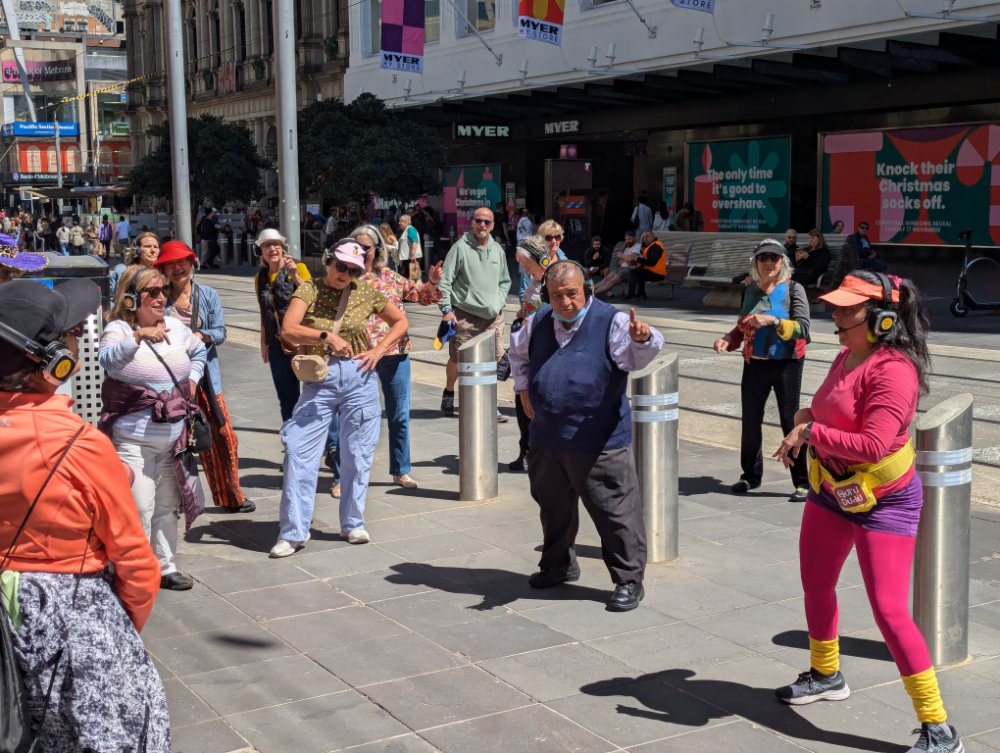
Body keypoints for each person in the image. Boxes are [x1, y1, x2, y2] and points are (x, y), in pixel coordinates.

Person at [771, 272, 963, 753]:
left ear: (881, 319)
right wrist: (805, 418)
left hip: (885, 503)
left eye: (846, 310)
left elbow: (875, 444)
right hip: (831, 492)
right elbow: (830, 409)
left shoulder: (894, 370)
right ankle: (825, 674)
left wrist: (810, 434)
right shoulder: (847, 353)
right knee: (816, 584)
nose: (835, 316)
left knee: (891, 611)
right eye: (834, 308)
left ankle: (939, 728)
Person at [0, 278, 169, 752]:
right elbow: (136, 564)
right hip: (69, 615)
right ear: (55, 361)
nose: (80, 339)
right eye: (74, 332)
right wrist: (117, 633)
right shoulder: (78, 444)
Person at [508, 261, 664, 611]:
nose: (565, 302)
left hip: (598, 438)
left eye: (572, 293)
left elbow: (637, 358)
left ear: (587, 288)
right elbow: (517, 353)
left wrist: (643, 339)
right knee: (553, 506)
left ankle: (628, 580)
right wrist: (522, 389)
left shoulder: (613, 321)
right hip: (548, 435)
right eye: (556, 295)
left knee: (615, 510)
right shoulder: (539, 320)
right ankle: (558, 564)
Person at [272, 239, 409, 555]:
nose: (344, 273)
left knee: (357, 455)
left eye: (352, 269)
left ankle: (353, 523)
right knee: (299, 453)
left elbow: (401, 322)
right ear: (329, 261)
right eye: (340, 266)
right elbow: (288, 329)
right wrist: (325, 336)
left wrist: (378, 350)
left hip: (360, 377)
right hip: (320, 378)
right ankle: (292, 532)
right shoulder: (309, 289)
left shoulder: (366, 292)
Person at [99, 265, 208, 590]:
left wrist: (192, 380)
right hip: (132, 442)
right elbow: (108, 360)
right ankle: (132, 571)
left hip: (173, 439)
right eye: (152, 292)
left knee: (165, 506)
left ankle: (164, 566)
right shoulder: (118, 329)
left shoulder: (176, 326)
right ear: (131, 298)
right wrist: (137, 337)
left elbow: (199, 350)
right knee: (139, 507)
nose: (161, 297)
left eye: (163, 291)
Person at [326, 225, 444, 495]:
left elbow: (421, 296)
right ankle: (340, 476)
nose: (362, 251)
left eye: (367, 247)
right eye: (356, 246)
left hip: (394, 353)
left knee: (399, 415)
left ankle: (401, 470)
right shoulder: (343, 277)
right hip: (357, 356)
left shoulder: (390, 277)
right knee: (350, 417)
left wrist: (433, 282)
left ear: (377, 250)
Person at [159, 241, 254, 513]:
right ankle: (175, 501)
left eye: (182, 262)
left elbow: (221, 331)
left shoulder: (208, 294)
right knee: (174, 440)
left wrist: (202, 336)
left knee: (224, 436)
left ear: (192, 263)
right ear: (163, 268)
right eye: (171, 264)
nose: (177, 268)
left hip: (207, 379)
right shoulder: (158, 297)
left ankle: (230, 495)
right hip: (171, 380)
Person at [713, 239, 811, 502]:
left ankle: (803, 482)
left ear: (782, 262)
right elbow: (743, 326)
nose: (768, 262)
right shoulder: (751, 290)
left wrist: (775, 320)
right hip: (753, 363)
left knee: (790, 422)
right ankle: (750, 476)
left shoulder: (794, 289)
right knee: (750, 421)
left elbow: (803, 329)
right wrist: (728, 340)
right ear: (755, 262)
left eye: (774, 258)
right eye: (763, 258)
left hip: (786, 364)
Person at [439, 206, 511, 422]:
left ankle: (489, 405)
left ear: (492, 225)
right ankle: (449, 391)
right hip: (465, 315)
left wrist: (498, 301)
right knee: (458, 360)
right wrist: (446, 310)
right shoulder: (460, 248)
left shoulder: (497, 249)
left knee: (494, 360)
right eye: (478, 221)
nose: (482, 225)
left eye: (486, 222)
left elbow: (505, 281)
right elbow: (445, 281)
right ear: (472, 222)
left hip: (492, 317)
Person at [254, 228, 312, 423]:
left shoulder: (299, 267)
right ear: (260, 251)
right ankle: (292, 438)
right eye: (266, 246)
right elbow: (265, 312)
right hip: (277, 344)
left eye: (275, 245)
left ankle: (329, 444)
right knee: (286, 398)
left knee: (314, 394)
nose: (272, 249)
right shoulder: (259, 278)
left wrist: (295, 275)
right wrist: (264, 343)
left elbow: (312, 297)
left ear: (282, 248)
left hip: (303, 342)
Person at [509, 235, 551, 473]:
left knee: (534, 404)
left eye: (528, 266)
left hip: (545, 352)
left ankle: (538, 452)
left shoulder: (554, 283)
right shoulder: (537, 281)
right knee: (521, 401)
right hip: (530, 349)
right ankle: (527, 450)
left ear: (542, 260)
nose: (526, 272)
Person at [521, 220, 568, 304]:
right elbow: (523, 290)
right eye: (549, 237)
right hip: (536, 311)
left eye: (557, 237)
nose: (554, 241)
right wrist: (528, 314)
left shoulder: (564, 261)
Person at [110, 230, 161, 296]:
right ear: (137, 250)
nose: (153, 250)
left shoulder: (162, 273)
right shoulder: (122, 271)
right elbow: (109, 298)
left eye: (156, 247)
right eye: (147, 246)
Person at [593, 230, 639, 297]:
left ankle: (592, 294)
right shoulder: (627, 248)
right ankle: (589, 290)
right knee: (605, 280)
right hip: (620, 267)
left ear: (634, 238)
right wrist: (626, 260)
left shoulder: (637, 246)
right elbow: (620, 262)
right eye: (626, 239)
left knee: (610, 282)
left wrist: (623, 257)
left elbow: (631, 259)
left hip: (628, 270)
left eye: (629, 239)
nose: (627, 241)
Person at [624, 230, 666, 301]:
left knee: (635, 272)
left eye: (647, 237)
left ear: (653, 236)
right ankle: (641, 294)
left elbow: (652, 262)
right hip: (652, 271)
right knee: (638, 271)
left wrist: (638, 259)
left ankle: (632, 295)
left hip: (658, 273)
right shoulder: (650, 246)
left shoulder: (656, 246)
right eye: (644, 237)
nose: (645, 239)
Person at [397, 212, 422, 282]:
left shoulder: (410, 229)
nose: (399, 223)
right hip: (406, 258)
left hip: (411, 258)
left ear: (406, 222)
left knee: (412, 278)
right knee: (407, 278)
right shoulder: (405, 231)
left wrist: (413, 254)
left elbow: (415, 241)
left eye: (401, 221)